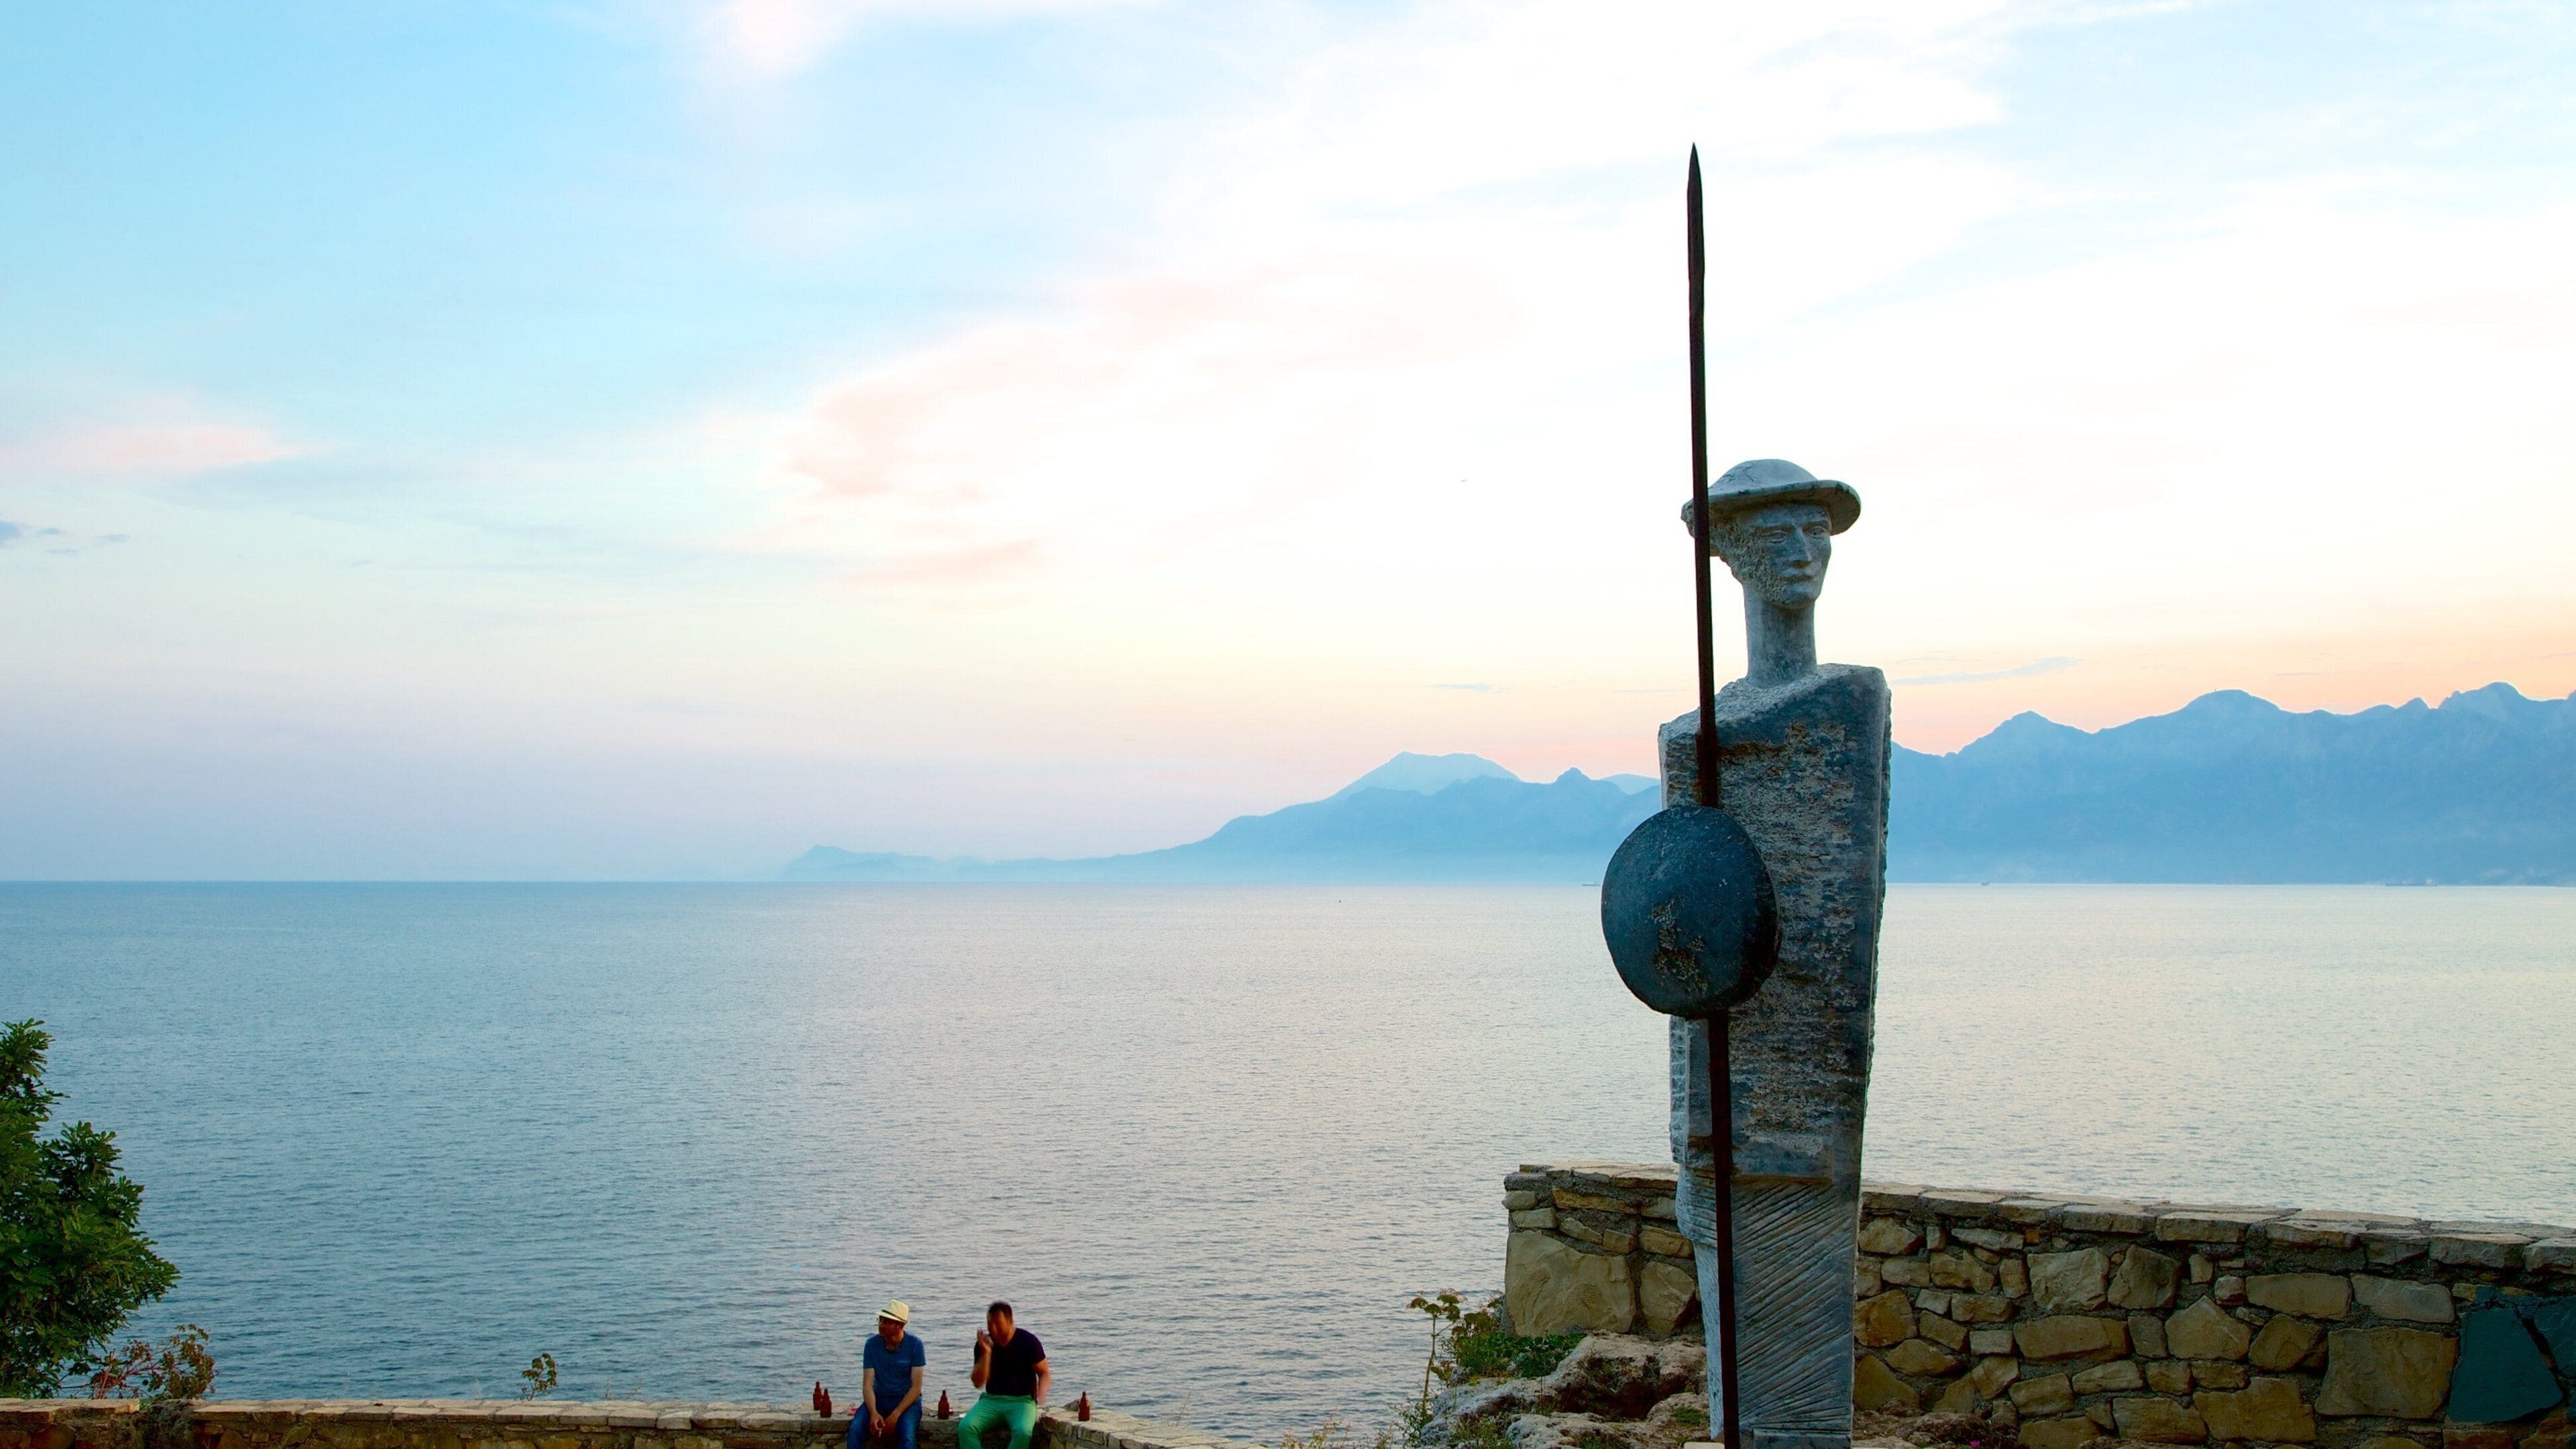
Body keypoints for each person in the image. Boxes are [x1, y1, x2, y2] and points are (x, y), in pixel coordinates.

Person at [958, 1301, 1048, 1449]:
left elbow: (1044, 1372)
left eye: (998, 1324)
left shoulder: (1028, 1342)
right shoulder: (983, 1345)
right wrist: (987, 1353)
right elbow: (978, 1382)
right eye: (990, 1325)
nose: (994, 1329)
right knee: (966, 1427)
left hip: (1022, 1402)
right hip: (992, 1400)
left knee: (1023, 1432)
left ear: (1010, 1322)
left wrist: (1042, 1394)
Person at [850, 1301, 926, 1449]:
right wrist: (873, 1413)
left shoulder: (915, 1345)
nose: (881, 1325)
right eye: (880, 1320)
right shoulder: (871, 1345)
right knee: (856, 1429)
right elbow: (867, 1386)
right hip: (879, 1399)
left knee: (907, 1438)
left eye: (886, 1322)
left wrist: (895, 1415)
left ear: (900, 1326)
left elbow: (916, 1388)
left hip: (906, 1403)